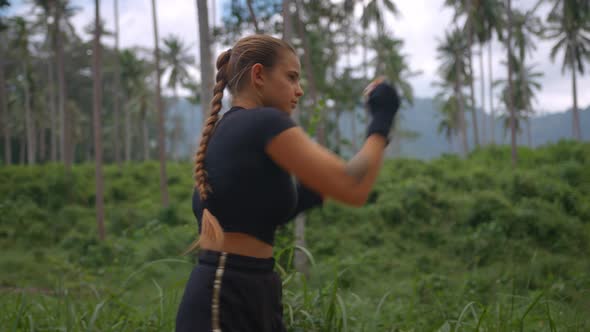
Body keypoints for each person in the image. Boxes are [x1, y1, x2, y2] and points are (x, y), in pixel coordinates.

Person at [175, 34, 400, 332]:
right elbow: (353, 186)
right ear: (258, 75)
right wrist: (382, 117)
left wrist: (304, 197)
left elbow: (246, 214)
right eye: (291, 77)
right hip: (226, 297)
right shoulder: (264, 123)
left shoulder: (229, 130)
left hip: (249, 288)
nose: (300, 90)